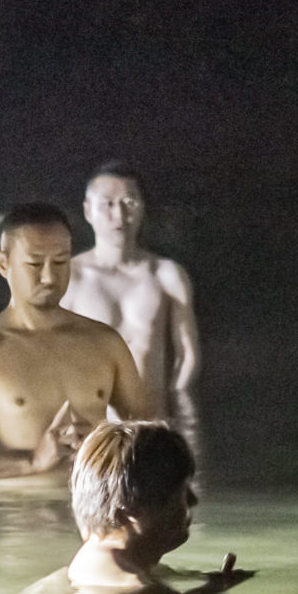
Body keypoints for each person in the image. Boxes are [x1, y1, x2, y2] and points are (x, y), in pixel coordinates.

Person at [0, 202, 154, 490]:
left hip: (98, 507)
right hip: (21, 512)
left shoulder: (105, 343)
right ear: (3, 263)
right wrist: (32, 460)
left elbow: (154, 436)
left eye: (60, 262)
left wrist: (108, 443)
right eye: (34, 264)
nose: (49, 277)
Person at [0, 420, 254, 594]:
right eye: (181, 491)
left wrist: (210, 586)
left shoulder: (93, 559)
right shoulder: (138, 591)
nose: (193, 500)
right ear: (130, 513)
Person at [61, 163, 200, 419]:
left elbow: (187, 354)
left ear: (142, 208)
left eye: (129, 202)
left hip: (152, 424)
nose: (119, 214)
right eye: (108, 204)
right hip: (91, 428)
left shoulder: (166, 275)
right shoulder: (69, 278)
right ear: (88, 211)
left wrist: (177, 415)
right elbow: (48, 357)